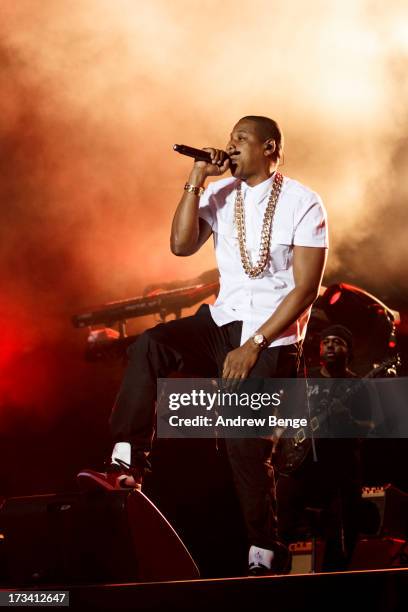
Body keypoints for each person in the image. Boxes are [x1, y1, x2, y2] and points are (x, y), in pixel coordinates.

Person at [77, 115, 328, 575]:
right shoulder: (219, 194)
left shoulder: (303, 202)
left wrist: (254, 344)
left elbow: (305, 289)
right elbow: (179, 245)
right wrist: (195, 180)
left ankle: (264, 553)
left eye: (241, 139)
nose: (230, 146)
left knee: (242, 441)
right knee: (150, 344)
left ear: (269, 146)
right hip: (222, 319)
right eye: (230, 138)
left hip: (271, 334)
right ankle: (126, 460)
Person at [277, 325, 368, 571]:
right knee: (281, 526)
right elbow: (285, 417)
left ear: (348, 352)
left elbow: (367, 428)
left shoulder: (357, 385)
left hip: (338, 469)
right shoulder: (306, 378)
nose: (329, 345)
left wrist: (346, 418)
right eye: (325, 341)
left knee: (340, 535)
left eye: (337, 342)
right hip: (300, 464)